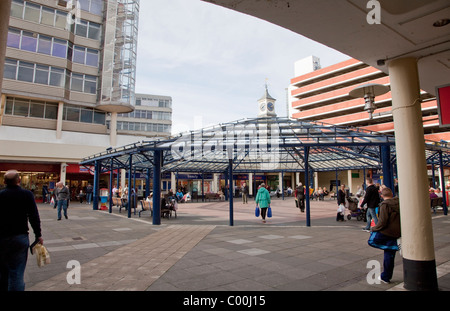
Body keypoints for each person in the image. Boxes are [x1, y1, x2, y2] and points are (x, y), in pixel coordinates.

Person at [0, 170, 43, 291]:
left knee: (3, 271)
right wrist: (38, 235)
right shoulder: (27, 194)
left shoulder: (1, 195)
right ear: (19, 180)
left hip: (2, 237)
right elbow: (34, 216)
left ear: (4, 182)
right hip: (20, 237)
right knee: (17, 272)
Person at [370, 187, 401, 283]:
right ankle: (386, 276)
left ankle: (386, 276)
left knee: (373, 241)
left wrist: (373, 228)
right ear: (391, 194)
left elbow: (382, 222)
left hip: (387, 232)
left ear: (382, 196)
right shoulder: (399, 202)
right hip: (398, 232)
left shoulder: (385, 205)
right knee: (390, 253)